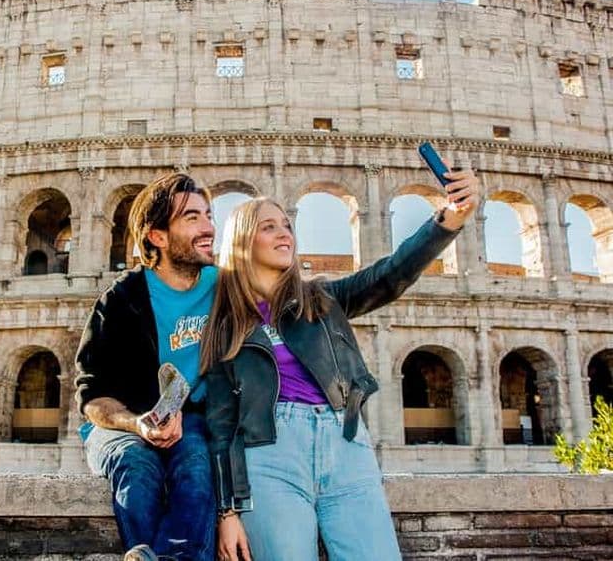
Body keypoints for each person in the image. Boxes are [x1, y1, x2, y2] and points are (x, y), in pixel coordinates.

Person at [201, 169, 480, 561]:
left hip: (345, 444)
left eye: (287, 225)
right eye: (269, 227)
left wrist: (449, 218)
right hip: (268, 453)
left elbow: (390, 274)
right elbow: (220, 422)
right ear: (243, 240)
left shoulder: (322, 299)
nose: (285, 234)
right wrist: (227, 511)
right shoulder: (225, 325)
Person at [75, 172, 218, 561]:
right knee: (136, 463)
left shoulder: (223, 288)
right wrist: (138, 423)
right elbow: (92, 396)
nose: (209, 227)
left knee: (196, 463)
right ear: (158, 236)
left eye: (208, 215)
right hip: (121, 427)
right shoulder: (121, 300)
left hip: (191, 420)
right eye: (192, 217)